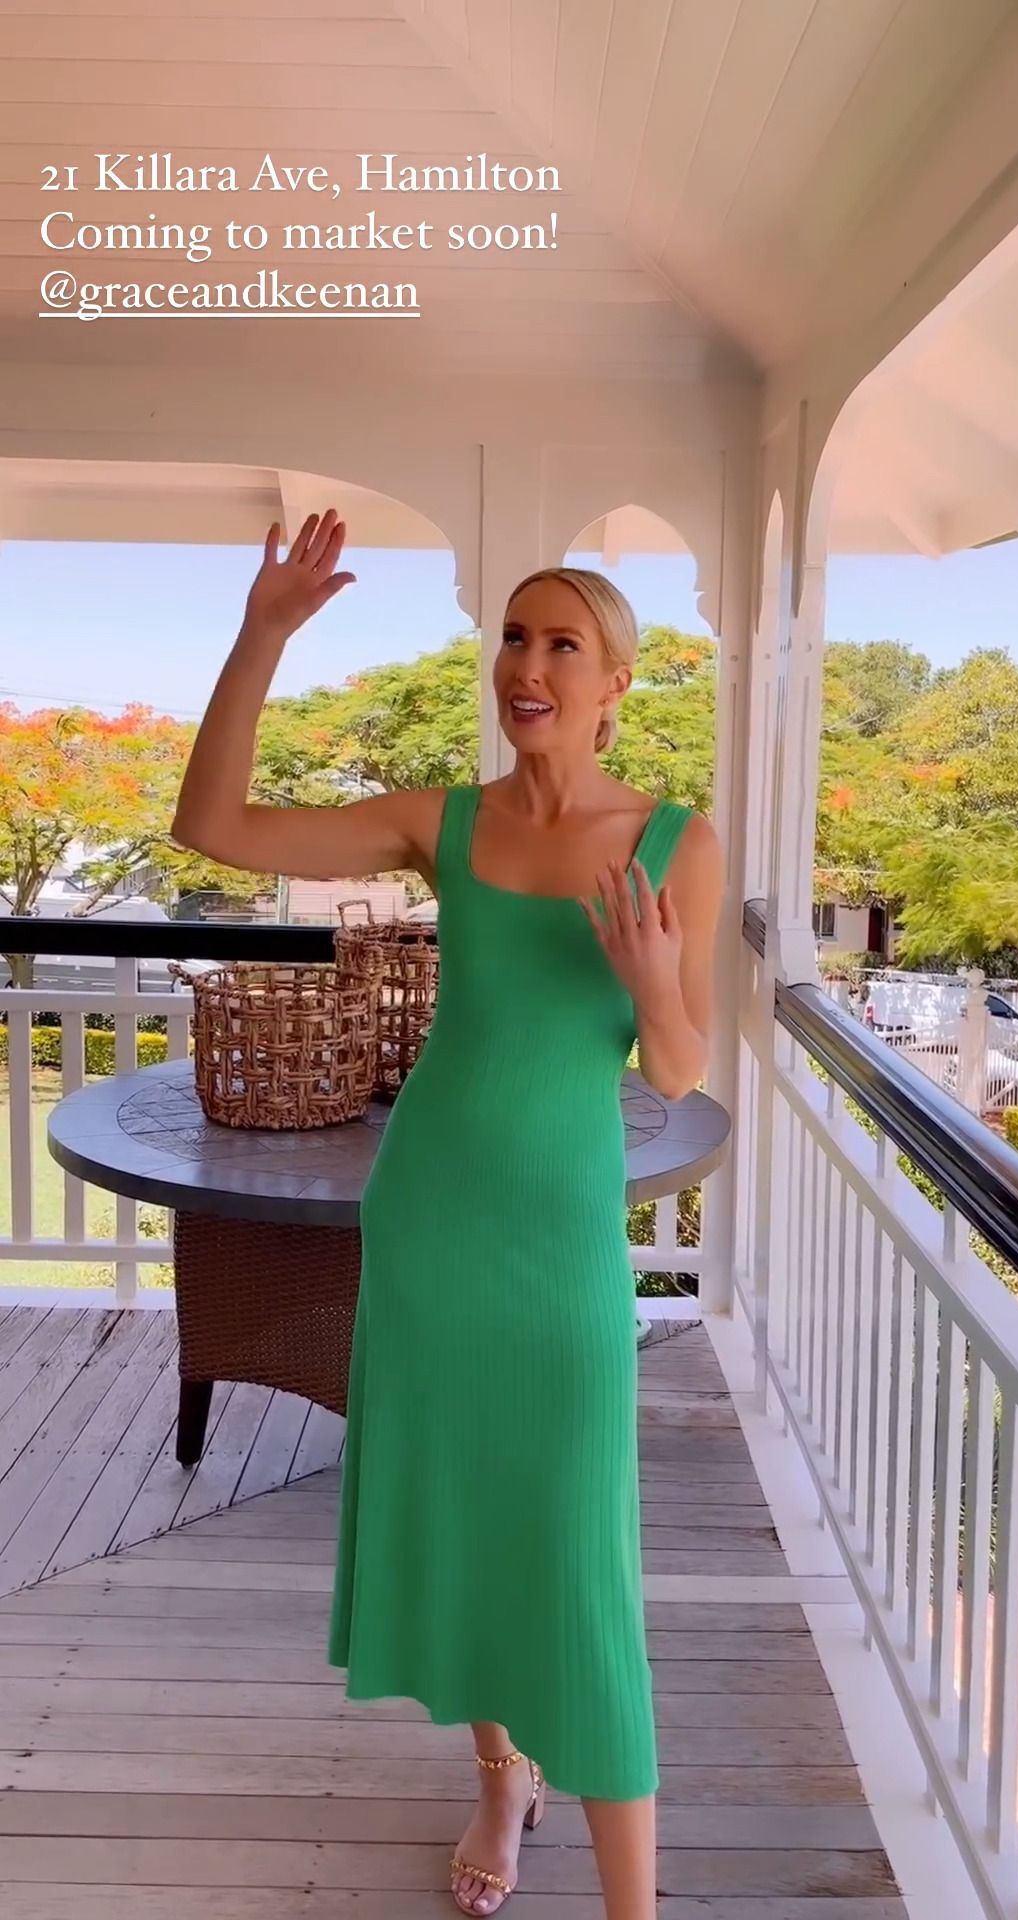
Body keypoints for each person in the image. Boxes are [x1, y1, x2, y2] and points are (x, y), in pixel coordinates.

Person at [172, 509, 723, 1919]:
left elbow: (678, 1068)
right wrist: (263, 634)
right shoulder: (446, 821)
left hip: (559, 1245)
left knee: (579, 1557)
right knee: (468, 1508)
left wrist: (652, 980)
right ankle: (499, 1777)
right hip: (429, 1225)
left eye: (563, 644)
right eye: (516, 638)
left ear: (615, 682)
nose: (528, 665)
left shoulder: (675, 842)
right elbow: (212, 827)